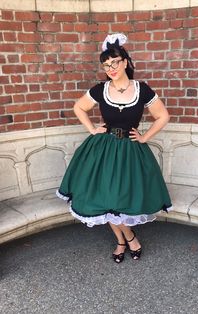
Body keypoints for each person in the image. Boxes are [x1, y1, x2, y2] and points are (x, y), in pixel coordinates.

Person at [56, 33, 172, 263]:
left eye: (115, 62)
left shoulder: (142, 89)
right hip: (102, 151)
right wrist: (91, 129)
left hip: (130, 151)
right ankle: (127, 239)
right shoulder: (101, 90)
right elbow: (79, 108)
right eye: (106, 65)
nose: (111, 68)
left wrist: (144, 137)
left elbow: (163, 116)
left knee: (120, 199)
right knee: (104, 199)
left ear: (125, 62)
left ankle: (125, 239)